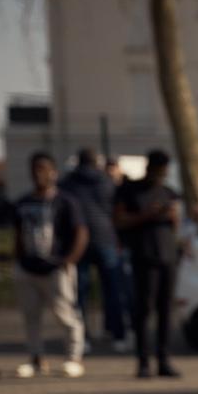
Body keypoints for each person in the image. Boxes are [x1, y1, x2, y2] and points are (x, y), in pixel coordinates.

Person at [12, 152, 89, 379]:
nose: (39, 174)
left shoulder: (65, 201)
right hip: (28, 268)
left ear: (53, 172)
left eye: (44, 169)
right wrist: (18, 260)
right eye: (35, 169)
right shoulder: (23, 202)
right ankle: (36, 359)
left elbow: (81, 232)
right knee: (31, 316)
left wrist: (69, 260)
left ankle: (74, 357)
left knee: (65, 314)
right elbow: (17, 233)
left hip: (56, 267)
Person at [112, 149, 184, 378]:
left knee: (165, 311)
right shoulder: (130, 190)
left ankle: (163, 359)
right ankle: (143, 361)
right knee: (144, 310)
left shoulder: (168, 192)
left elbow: (176, 226)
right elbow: (119, 221)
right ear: (149, 168)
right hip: (144, 256)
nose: (162, 174)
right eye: (159, 169)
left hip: (167, 256)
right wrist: (146, 215)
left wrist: (172, 216)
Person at [60, 148, 131, 354]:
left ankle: (83, 338)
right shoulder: (106, 182)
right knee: (112, 290)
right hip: (105, 238)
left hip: (78, 242)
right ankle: (117, 334)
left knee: (79, 293)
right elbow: (115, 209)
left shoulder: (68, 184)